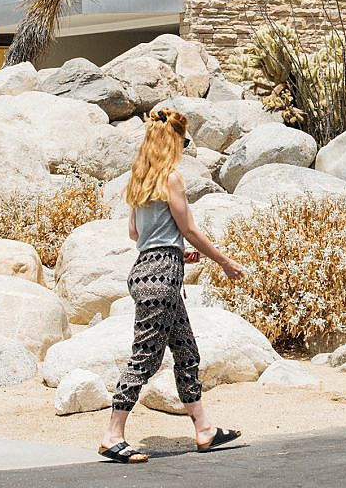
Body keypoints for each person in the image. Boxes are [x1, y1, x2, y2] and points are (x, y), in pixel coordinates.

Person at [98, 108, 246, 462]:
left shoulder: (139, 181)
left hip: (147, 270)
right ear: (173, 141)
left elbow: (135, 234)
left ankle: (204, 429)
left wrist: (176, 251)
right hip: (162, 278)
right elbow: (189, 229)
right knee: (145, 357)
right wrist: (224, 261)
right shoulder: (172, 179)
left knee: (186, 352)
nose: (185, 147)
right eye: (184, 140)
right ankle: (112, 434)